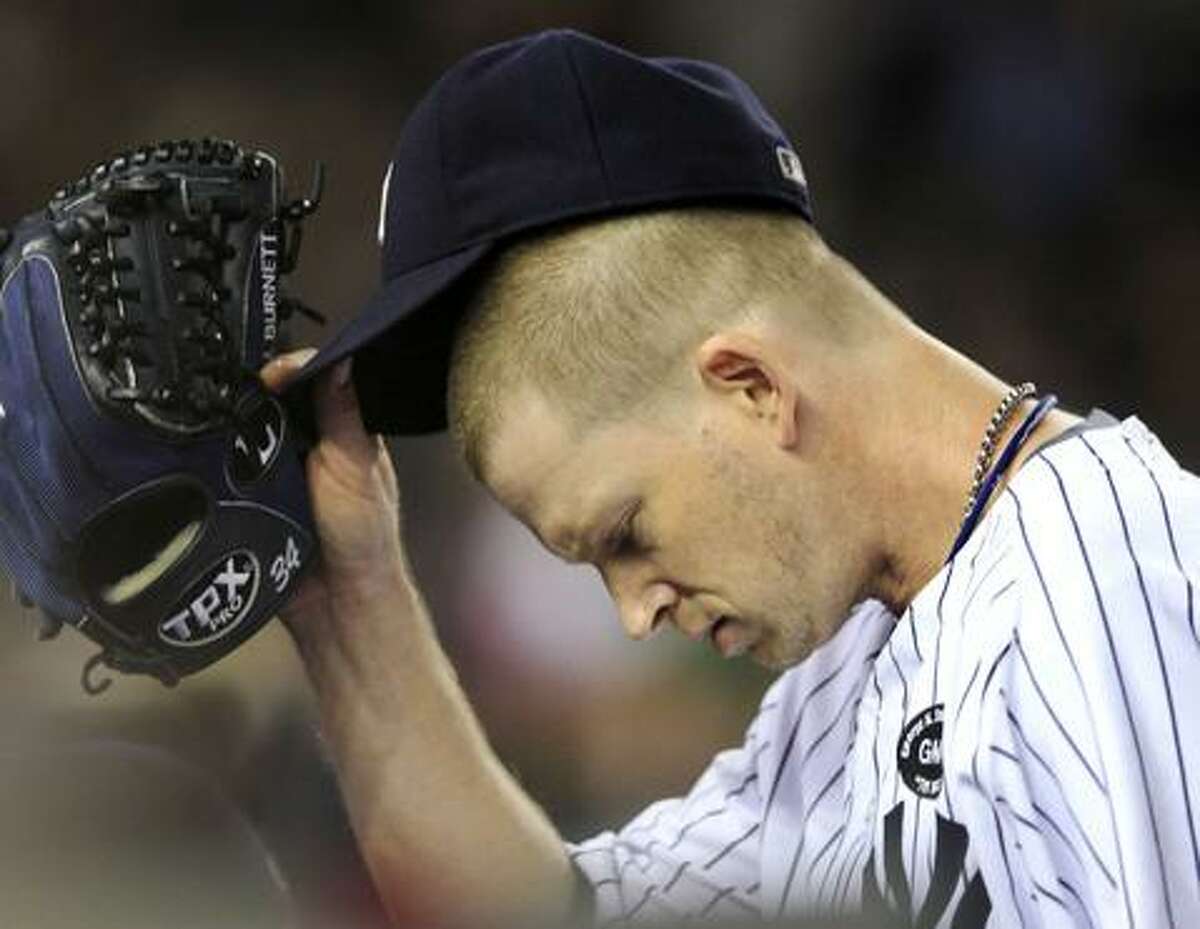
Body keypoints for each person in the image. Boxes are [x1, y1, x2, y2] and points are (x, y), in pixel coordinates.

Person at [265, 30, 1200, 928]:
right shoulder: (845, 686)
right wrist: (347, 594)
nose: (635, 614)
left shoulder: (1097, 583)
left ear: (751, 386)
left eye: (626, 533)